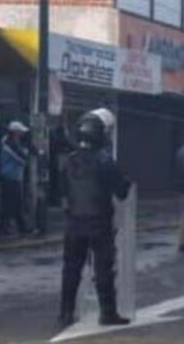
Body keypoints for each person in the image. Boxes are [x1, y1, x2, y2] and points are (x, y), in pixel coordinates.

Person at [58, 109, 132, 328]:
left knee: (71, 269)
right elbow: (122, 191)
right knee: (103, 270)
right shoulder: (104, 161)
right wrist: (124, 178)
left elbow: (63, 193)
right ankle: (107, 313)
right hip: (99, 223)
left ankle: (65, 312)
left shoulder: (69, 161)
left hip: (73, 223)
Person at [0, 121, 31, 236]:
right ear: (15, 132)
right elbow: (22, 158)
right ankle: (5, 228)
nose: (22, 134)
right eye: (20, 131)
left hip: (14, 177)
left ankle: (19, 227)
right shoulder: (9, 143)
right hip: (10, 177)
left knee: (16, 204)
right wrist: (27, 153)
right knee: (10, 204)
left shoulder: (12, 142)